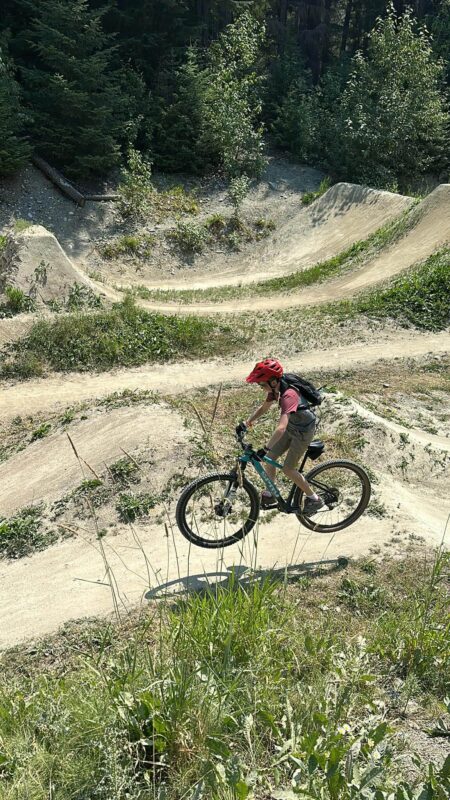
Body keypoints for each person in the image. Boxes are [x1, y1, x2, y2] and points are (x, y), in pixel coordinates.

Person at [242, 358, 324, 515]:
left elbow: (281, 428)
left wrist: (265, 448)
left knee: (288, 469)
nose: (260, 387)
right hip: (293, 426)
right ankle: (271, 493)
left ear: (273, 381)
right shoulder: (275, 389)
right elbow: (264, 407)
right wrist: (247, 422)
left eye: (262, 384)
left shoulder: (288, 395)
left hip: (303, 432)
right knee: (270, 459)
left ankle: (314, 498)